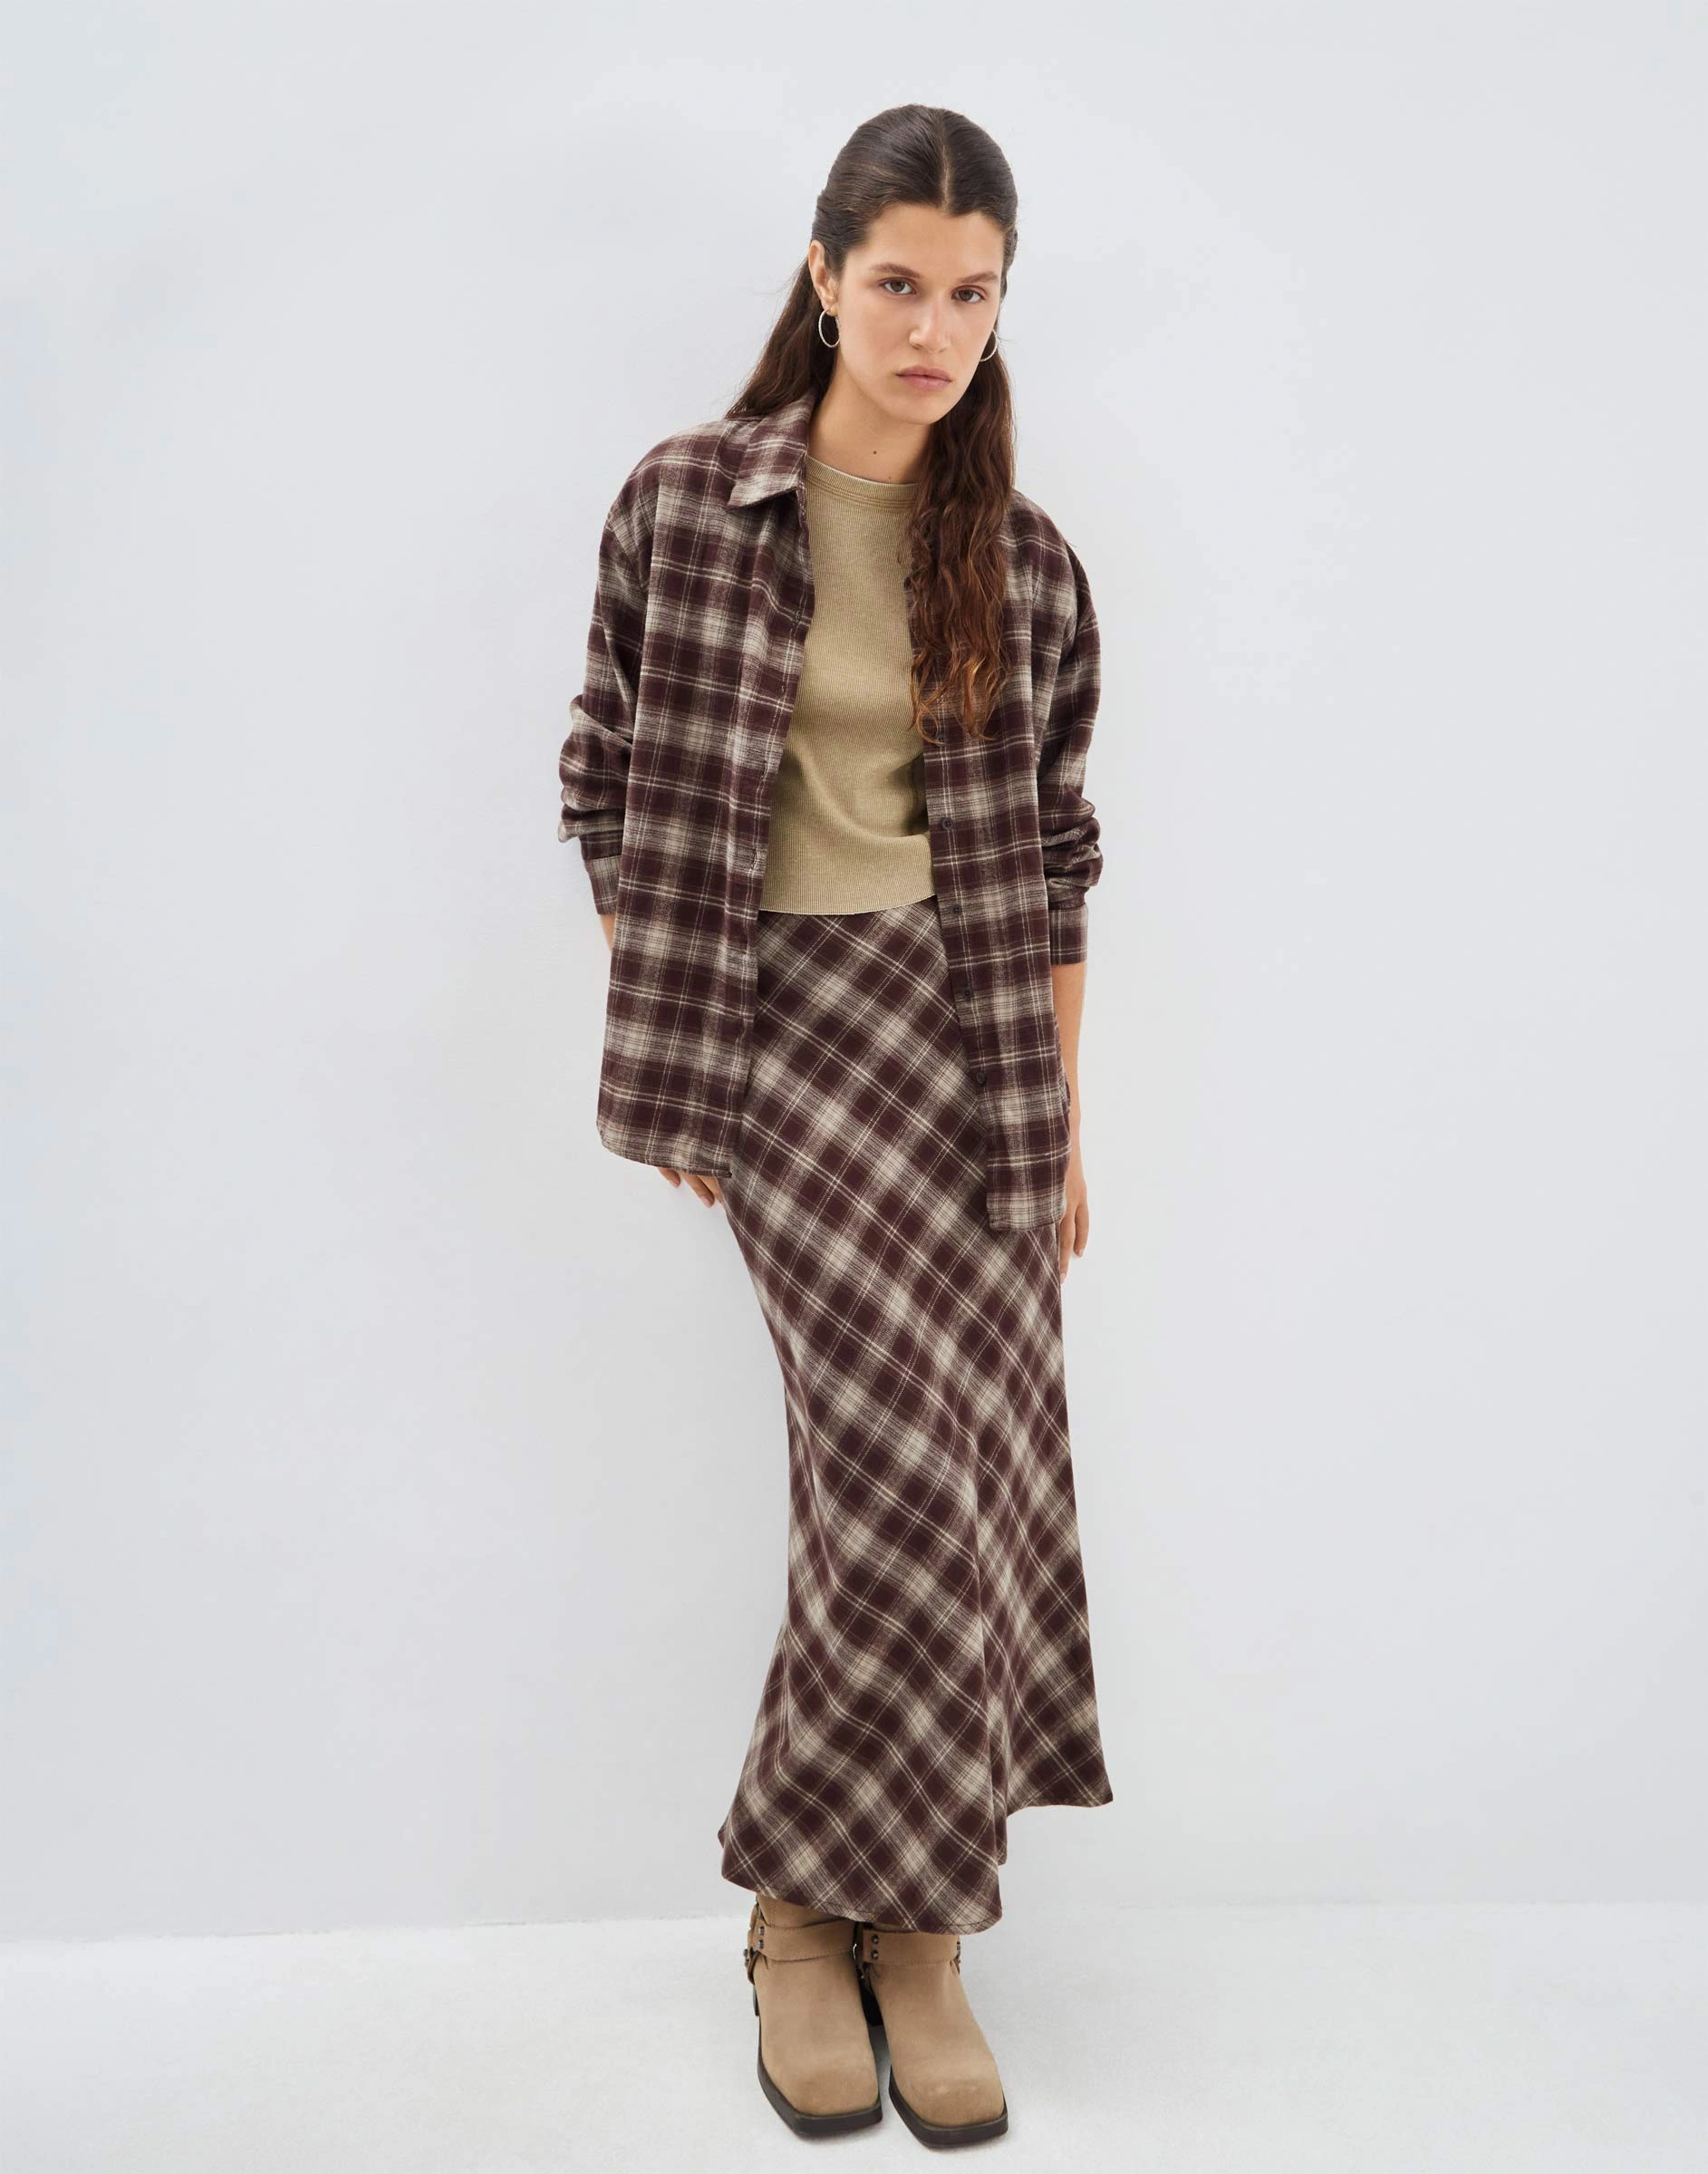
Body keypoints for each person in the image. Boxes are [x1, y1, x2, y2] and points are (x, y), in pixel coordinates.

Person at [557, 102, 1114, 2149]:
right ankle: (829, 1915)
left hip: (971, 1043)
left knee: (973, 1469)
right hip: (776, 1028)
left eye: (971, 293)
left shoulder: (1027, 564)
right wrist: (681, 1018)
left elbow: (1054, 858)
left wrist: (1061, 1123)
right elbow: (605, 768)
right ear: (822, 277)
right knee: (890, 1463)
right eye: (897, 283)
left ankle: (899, 1921)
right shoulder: (687, 502)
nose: (932, 329)